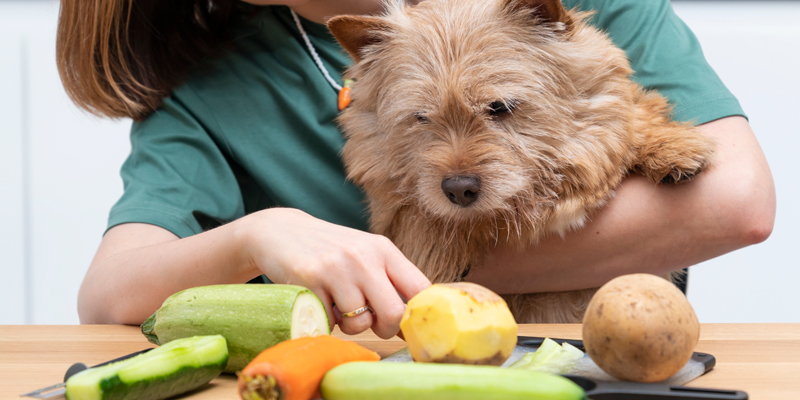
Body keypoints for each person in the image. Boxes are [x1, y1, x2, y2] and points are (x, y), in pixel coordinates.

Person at [57, 0, 775, 337]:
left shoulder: (572, 14)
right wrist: (258, 236)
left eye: (499, 109)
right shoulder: (215, 86)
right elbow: (107, 297)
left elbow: (737, 203)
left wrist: (426, 277)